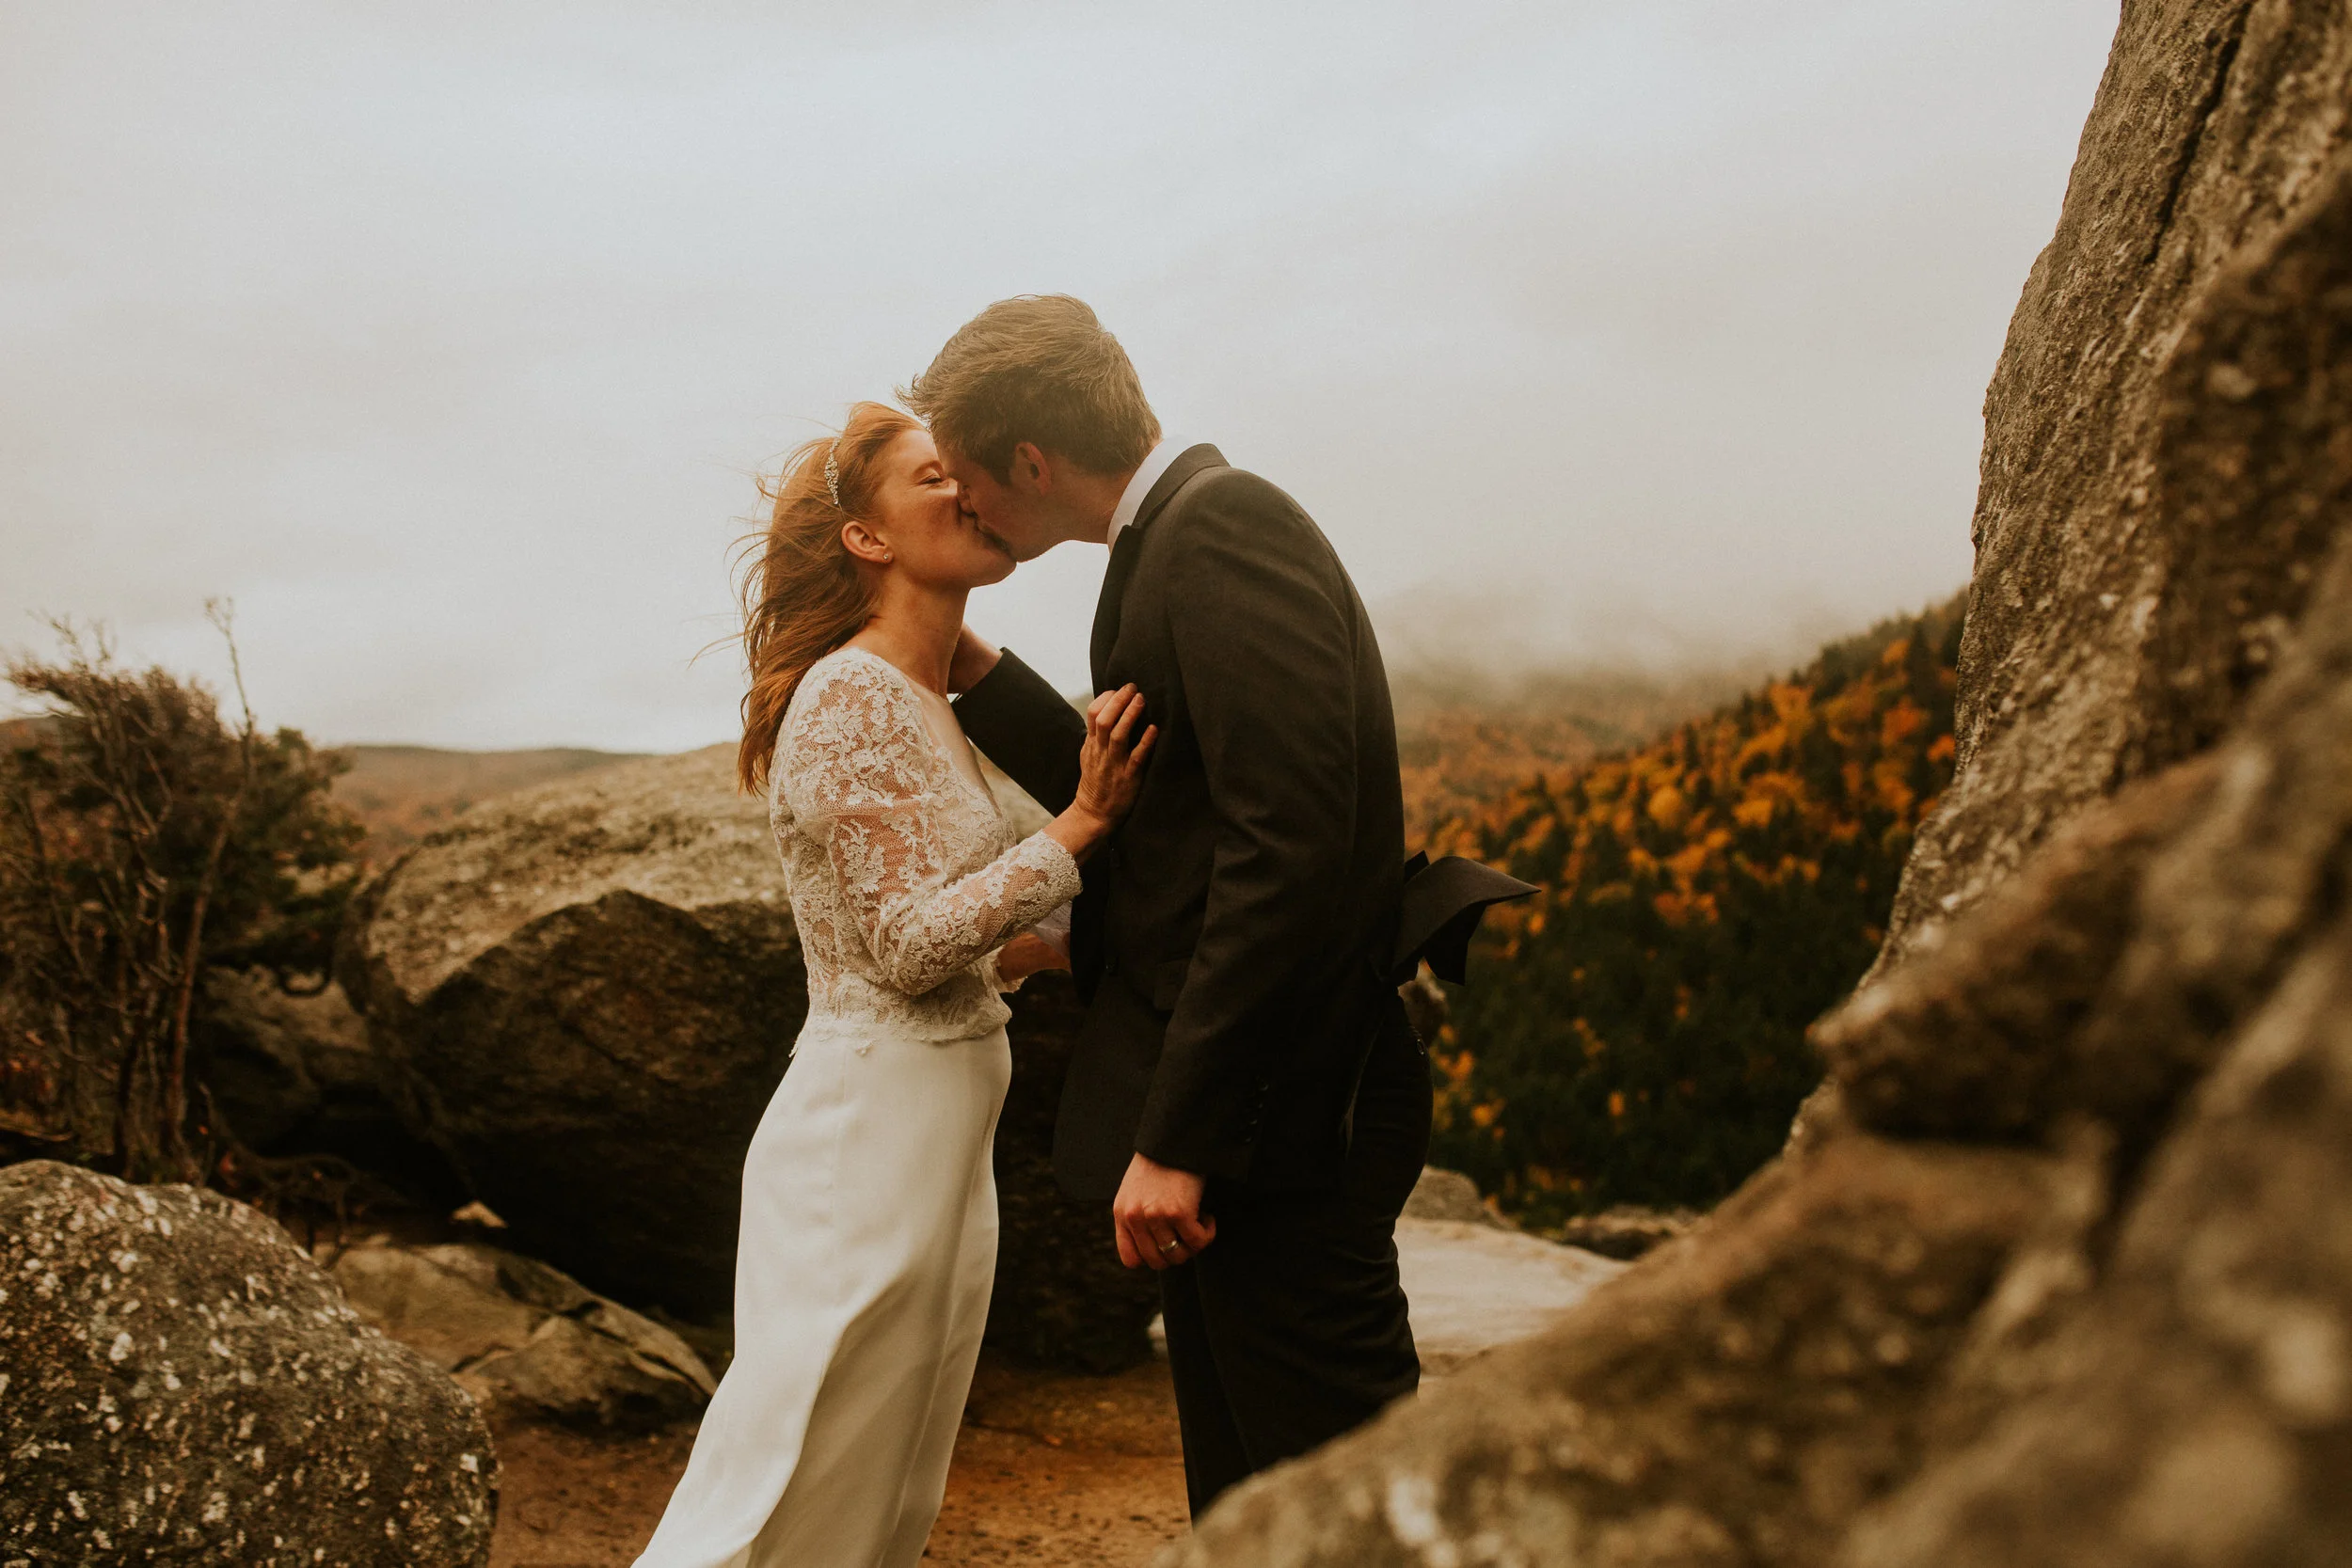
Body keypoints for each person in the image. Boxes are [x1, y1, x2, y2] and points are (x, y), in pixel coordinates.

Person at [905, 294, 1433, 1515]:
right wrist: (972, 667)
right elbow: (1159, 800)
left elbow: (1284, 844)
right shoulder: (1167, 544)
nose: (969, 503)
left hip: (1289, 1112)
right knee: (1251, 1503)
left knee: (1338, 1505)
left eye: (972, 476)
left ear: (1030, 459)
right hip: (1261, 1114)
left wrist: (1179, 1136)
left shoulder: (1224, 528)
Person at [630, 401, 1155, 1568]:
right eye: (933, 475)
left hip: (935, 1127)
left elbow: (963, 945)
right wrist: (1083, 824)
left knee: (876, 1486)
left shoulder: (922, 697)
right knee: (778, 1476)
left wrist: (1074, 939)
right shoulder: (854, 693)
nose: (968, 488)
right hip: (863, 1137)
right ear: (866, 539)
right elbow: (911, 947)